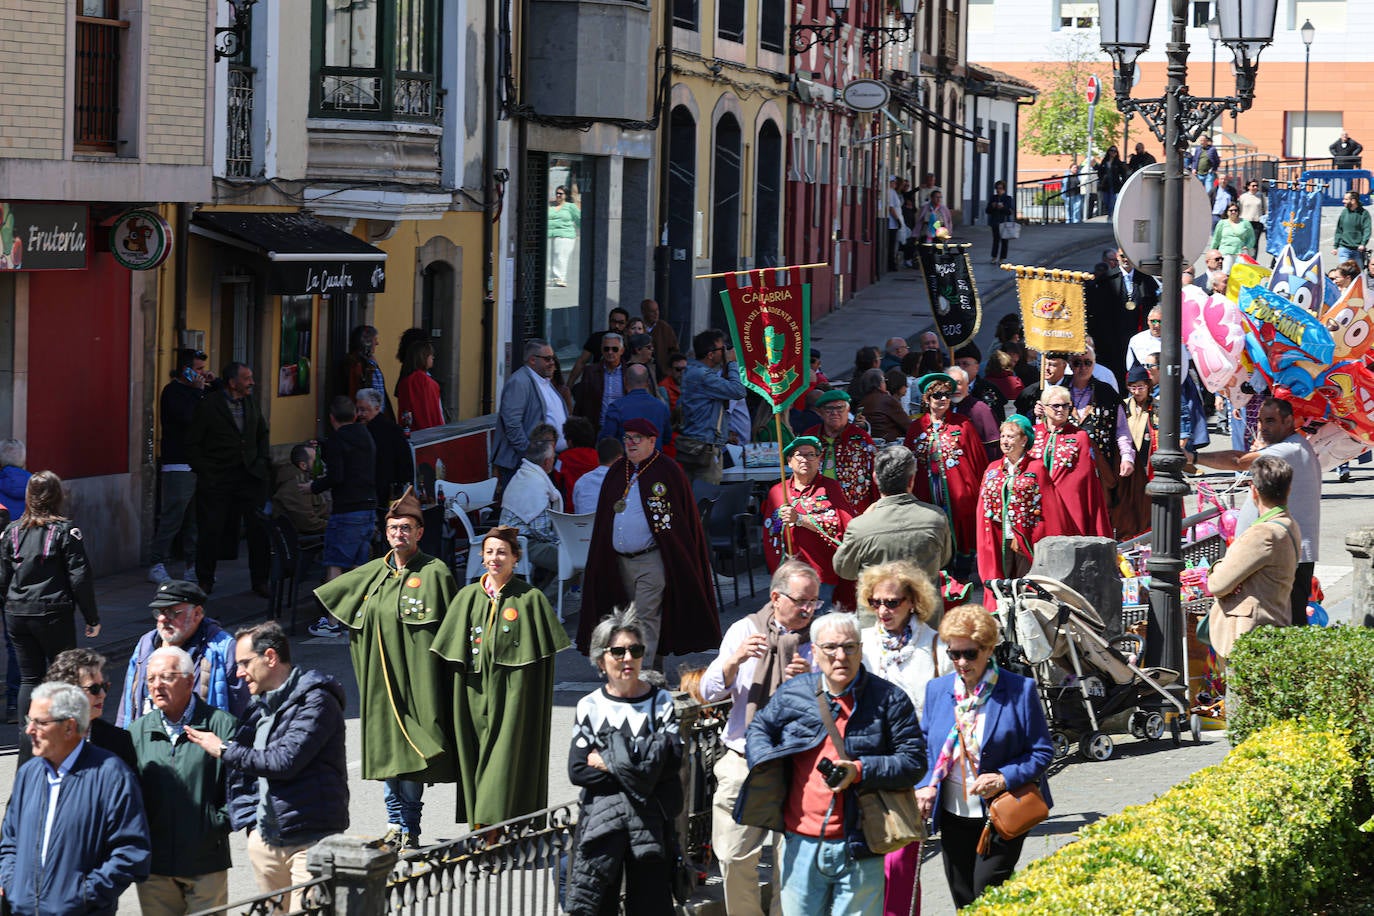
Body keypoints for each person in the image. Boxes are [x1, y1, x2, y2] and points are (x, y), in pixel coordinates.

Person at [735, 612, 926, 916]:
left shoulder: (889, 699)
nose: (841, 656)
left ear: (861, 649)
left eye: (850, 647)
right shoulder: (795, 693)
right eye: (831, 648)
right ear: (815, 651)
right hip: (800, 844)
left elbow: (914, 762)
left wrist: (860, 770)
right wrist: (764, 763)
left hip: (862, 843)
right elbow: (759, 728)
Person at [315, 488, 457, 848]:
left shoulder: (435, 572)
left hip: (418, 684)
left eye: (407, 528)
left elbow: (451, 632)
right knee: (387, 755)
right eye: (394, 528)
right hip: (380, 684)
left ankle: (408, 824)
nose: (399, 534)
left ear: (420, 532)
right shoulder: (373, 573)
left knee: (412, 754)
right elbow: (339, 601)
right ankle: (395, 823)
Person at [185, 622, 348, 911]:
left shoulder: (317, 700)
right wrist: (252, 827)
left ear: (270, 657)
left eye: (244, 663)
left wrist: (223, 749)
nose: (238, 672)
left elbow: (283, 762)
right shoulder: (260, 705)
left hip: (310, 841)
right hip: (266, 840)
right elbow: (244, 775)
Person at [914, 605, 1054, 909]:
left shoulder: (1020, 689)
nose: (961, 663)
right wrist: (925, 785)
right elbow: (926, 746)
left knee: (987, 895)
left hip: (1003, 812)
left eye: (970, 654)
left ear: (989, 649)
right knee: (963, 898)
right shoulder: (938, 690)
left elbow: (1042, 752)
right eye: (954, 654)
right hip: (952, 814)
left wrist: (1004, 777)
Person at [700, 559, 818, 916]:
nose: (808, 609)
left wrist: (813, 680)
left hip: (798, 762)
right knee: (735, 856)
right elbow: (707, 692)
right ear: (776, 597)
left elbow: (842, 700)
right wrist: (734, 661)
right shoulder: (744, 630)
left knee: (792, 861)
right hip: (744, 759)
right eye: (801, 601)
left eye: (814, 602)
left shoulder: (822, 640)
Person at [433, 525, 569, 829]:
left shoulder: (530, 598)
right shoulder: (467, 596)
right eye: (490, 552)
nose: (495, 558)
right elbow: (448, 651)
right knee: (476, 756)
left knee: (505, 757)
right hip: (472, 691)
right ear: (482, 557)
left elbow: (543, 660)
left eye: (502, 552)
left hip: (514, 695)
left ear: (516, 558)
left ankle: (488, 829)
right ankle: (484, 825)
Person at [565, 611, 682, 915]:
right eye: (618, 651)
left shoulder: (661, 702)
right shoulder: (590, 705)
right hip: (603, 825)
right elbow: (578, 770)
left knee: (650, 907)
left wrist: (609, 762)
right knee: (599, 906)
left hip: (651, 825)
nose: (627, 658)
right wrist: (642, 765)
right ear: (601, 659)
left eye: (635, 650)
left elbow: (671, 764)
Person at [0, 682, 151, 915]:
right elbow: (10, 841)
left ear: (69, 728)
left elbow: (131, 852)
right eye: (29, 720)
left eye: (39, 722)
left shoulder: (111, 774)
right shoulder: (28, 774)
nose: (29, 730)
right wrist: (15, 885)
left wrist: (82, 895)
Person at [580, 417, 720, 664]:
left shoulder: (668, 470)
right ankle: (648, 666)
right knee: (623, 619)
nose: (631, 443)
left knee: (645, 616)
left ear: (652, 441)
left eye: (637, 438)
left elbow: (681, 520)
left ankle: (640, 674)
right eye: (627, 437)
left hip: (652, 558)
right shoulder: (616, 471)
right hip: (618, 561)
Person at [857, 560, 945, 916]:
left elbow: (947, 721)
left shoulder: (936, 647)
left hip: (913, 770)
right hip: (867, 768)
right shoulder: (859, 645)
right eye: (876, 602)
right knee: (869, 867)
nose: (883, 610)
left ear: (912, 601)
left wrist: (932, 781)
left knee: (900, 864)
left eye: (892, 602)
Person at [129, 646, 238, 916]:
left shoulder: (222, 725)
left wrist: (215, 823)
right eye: (150, 679)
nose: (156, 686)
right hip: (156, 868)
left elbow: (240, 789)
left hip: (206, 861)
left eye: (166, 677)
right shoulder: (137, 732)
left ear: (190, 681)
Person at [1193, 397, 1320, 627]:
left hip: (1286, 554)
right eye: (1260, 421)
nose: (1263, 427)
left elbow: (1238, 460)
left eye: (1270, 421)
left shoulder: (1289, 449)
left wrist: (1194, 458)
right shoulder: (1289, 447)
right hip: (1283, 552)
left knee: (1285, 622)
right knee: (1283, 621)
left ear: (1289, 420)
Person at [1, 471, 99, 734]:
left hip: (17, 612)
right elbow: (80, 577)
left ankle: (28, 738)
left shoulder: (11, 531)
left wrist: (7, 608)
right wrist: (92, 617)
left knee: (29, 678)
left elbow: (3, 577)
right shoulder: (65, 532)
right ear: (58, 497)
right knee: (63, 677)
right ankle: (62, 735)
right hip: (52, 612)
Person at [186, 361, 271, 597]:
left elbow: (262, 433)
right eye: (247, 378)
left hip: (250, 475)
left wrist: (262, 462)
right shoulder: (209, 405)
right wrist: (206, 470)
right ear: (232, 383)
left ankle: (260, 580)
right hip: (218, 478)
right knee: (210, 529)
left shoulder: (251, 403)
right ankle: (205, 579)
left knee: (258, 529)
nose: (252, 382)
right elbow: (193, 443)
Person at [1205, 455, 1300, 666]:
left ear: (1254, 491)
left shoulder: (1263, 533)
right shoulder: (1289, 524)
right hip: (1274, 621)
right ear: (1288, 489)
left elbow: (1217, 584)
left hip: (1250, 633)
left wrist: (1218, 566)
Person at [117, 579, 248, 728]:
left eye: (172, 613)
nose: (162, 619)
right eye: (159, 612)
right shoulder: (145, 644)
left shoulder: (224, 648)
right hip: (149, 743)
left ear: (197, 614)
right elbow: (127, 703)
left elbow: (242, 710)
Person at [903, 373, 989, 579]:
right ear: (927, 399)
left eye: (947, 395)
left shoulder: (963, 424)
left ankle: (961, 574)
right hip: (927, 492)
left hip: (958, 495)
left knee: (960, 531)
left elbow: (978, 460)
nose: (943, 399)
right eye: (938, 395)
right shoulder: (916, 428)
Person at [833, 444, 951, 587]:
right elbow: (943, 559)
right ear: (912, 479)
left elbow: (844, 570)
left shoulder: (860, 526)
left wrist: (864, 520)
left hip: (877, 607)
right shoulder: (936, 518)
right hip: (925, 606)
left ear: (876, 478)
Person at [761, 437, 855, 608]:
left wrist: (800, 519)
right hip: (789, 575)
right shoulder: (777, 492)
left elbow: (839, 525)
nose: (805, 459)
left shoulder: (830, 488)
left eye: (811, 455)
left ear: (819, 460)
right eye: (799, 455)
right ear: (790, 461)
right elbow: (770, 532)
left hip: (821, 573)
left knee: (819, 623)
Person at [976, 417, 1068, 582]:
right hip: (998, 538)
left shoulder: (1036, 468)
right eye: (1003, 436)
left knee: (1025, 581)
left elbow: (1048, 507)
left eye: (1011, 437)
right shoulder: (992, 469)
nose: (1005, 441)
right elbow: (982, 507)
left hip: (1027, 538)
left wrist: (1023, 535)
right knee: (1001, 581)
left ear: (1024, 440)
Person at [150, 350, 208, 585]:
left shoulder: (200, 392)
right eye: (199, 369)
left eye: (203, 369)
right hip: (178, 464)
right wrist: (197, 392)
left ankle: (192, 565)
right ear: (186, 369)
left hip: (196, 464)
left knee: (194, 520)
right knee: (173, 517)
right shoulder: (173, 392)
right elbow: (189, 418)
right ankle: (157, 562)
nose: (202, 374)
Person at [311, 395, 378, 582]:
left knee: (335, 563)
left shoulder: (337, 439)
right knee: (359, 565)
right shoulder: (366, 435)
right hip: (368, 507)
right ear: (355, 415)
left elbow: (336, 476)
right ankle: (357, 610)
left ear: (332, 417)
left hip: (347, 509)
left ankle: (334, 612)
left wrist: (313, 487)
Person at [1031, 385, 1113, 538]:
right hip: (1038, 503)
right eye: (1056, 405)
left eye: (1065, 405)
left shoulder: (1079, 436)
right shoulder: (1034, 433)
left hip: (1069, 505)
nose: (1061, 409)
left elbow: (1085, 478)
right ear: (1044, 407)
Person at [1065, 347, 1135, 516]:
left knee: (1099, 513)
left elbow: (1122, 429)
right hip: (1067, 468)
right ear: (1070, 365)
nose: (1082, 367)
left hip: (1101, 467)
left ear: (1094, 364)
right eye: (1077, 363)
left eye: (1087, 363)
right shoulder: (1059, 393)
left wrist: (1127, 457)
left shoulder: (1107, 393)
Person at [44, 648, 137, 770]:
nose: (102, 694)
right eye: (94, 689)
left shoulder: (119, 741)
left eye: (104, 686)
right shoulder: (39, 736)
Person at [495, 339, 568, 489]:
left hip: (547, 461)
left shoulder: (544, 381)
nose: (552, 362)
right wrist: (530, 454)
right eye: (547, 359)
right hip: (524, 465)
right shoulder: (519, 382)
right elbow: (512, 425)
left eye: (553, 358)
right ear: (532, 360)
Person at [679, 329, 747, 484]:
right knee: (706, 498)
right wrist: (732, 363)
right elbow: (738, 391)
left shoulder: (693, 371)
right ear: (710, 354)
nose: (726, 352)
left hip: (695, 445)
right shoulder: (702, 376)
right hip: (704, 449)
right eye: (723, 349)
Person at [497, 438, 563, 584]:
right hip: (523, 544)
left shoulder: (521, 476)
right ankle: (546, 601)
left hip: (510, 539)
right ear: (547, 462)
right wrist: (561, 540)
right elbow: (541, 532)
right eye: (553, 458)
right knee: (572, 561)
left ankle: (542, 598)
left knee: (562, 556)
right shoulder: (537, 485)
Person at [802, 389, 878, 512]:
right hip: (816, 508)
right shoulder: (810, 437)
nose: (834, 413)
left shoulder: (861, 439)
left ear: (848, 411)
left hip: (855, 510)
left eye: (840, 408)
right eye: (829, 409)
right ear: (820, 412)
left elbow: (876, 474)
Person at [356, 387, 413, 512]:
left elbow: (403, 463)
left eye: (364, 410)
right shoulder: (393, 429)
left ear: (377, 408)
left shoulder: (372, 431)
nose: (359, 414)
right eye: (358, 410)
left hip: (381, 494)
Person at [1114, 366, 1155, 540]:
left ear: (1148, 386)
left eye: (1140, 387)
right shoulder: (1123, 406)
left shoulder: (1157, 406)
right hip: (1130, 460)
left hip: (1150, 461)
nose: (1136, 391)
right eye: (1132, 387)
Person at [600, 362, 672, 447]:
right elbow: (667, 438)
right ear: (648, 382)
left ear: (624, 381)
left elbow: (606, 440)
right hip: (653, 458)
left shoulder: (616, 407)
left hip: (626, 458)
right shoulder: (662, 407)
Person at [573, 332, 627, 433]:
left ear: (622, 351)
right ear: (602, 350)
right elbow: (581, 403)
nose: (610, 352)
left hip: (622, 428)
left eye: (614, 349)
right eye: (606, 349)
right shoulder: (590, 372)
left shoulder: (629, 373)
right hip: (597, 428)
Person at [271, 443, 329, 538]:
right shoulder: (296, 485)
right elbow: (308, 523)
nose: (321, 464)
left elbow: (322, 511)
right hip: (306, 539)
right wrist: (337, 526)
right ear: (303, 465)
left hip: (313, 533)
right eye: (316, 460)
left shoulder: (306, 479)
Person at [336, 325, 392, 417]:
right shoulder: (356, 363)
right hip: (365, 416)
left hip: (375, 415)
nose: (377, 343)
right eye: (375, 339)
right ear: (367, 342)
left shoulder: (369, 362)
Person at [950, 365, 1002, 461]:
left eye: (959, 383)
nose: (955, 388)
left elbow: (993, 447)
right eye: (951, 384)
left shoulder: (981, 409)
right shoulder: (944, 408)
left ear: (967, 384)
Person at [569, 308, 630, 388]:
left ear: (626, 324)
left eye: (621, 323)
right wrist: (569, 385)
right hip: (597, 383)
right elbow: (581, 361)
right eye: (613, 321)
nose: (616, 326)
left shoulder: (630, 342)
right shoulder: (597, 338)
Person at [396, 340, 444, 431]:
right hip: (429, 433)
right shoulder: (429, 383)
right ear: (423, 357)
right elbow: (436, 413)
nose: (433, 357)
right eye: (430, 355)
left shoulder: (404, 382)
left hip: (410, 431)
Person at [953, 342, 1008, 423]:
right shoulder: (950, 389)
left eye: (965, 364)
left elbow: (998, 419)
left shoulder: (989, 389)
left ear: (976, 367)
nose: (960, 368)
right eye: (957, 364)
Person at [855, 368, 909, 442]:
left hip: (870, 442)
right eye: (884, 381)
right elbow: (908, 426)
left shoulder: (862, 402)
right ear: (879, 384)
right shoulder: (887, 400)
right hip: (891, 443)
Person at [573, 436, 623, 514]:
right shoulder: (624, 482)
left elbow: (577, 512)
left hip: (583, 525)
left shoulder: (581, 481)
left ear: (598, 459)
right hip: (609, 525)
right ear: (620, 459)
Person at [1013, 352, 1070, 418]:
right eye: (1044, 364)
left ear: (1064, 365)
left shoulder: (1073, 387)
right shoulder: (1030, 393)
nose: (1046, 368)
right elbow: (1020, 419)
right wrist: (1033, 413)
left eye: (1052, 365)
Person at [547, 183, 582, 288]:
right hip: (549, 234)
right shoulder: (551, 206)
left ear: (565, 195)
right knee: (548, 257)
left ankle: (560, 278)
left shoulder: (570, 207)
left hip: (565, 235)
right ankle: (548, 278)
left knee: (560, 256)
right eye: (556, 193)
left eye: (560, 194)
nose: (558, 195)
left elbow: (580, 219)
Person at [557, 415, 600, 498]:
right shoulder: (597, 456)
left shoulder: (562, 458)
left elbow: (556, 480)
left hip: (569, 507)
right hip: (593, 505)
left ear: (570, 441)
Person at [639, 298, 680, 378]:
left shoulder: (665, 328)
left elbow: (674, 351)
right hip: (641, 373)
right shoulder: (638, 328)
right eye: (652, 311)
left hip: (662, 375)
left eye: (657, 310)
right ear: (643, 312)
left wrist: (669, 369)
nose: (656, 313)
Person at [1210, 201, 1256, 269]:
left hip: (1240, 252)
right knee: (1226, 273)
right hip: (1226, 252)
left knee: (1241, 274)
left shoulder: (1245, 223)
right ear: (1227, 212)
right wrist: (1211, 252)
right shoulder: (1222, 223)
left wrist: (1248, 246)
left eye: (1235, 210)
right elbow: (1216, 239)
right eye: (1231, 210)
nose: (1233, 212)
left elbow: (1251, 237)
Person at [1334, 190, 1371, 270]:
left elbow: (1367, 230)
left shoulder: (1364, 213)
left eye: (1346, 199)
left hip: (1358, 250)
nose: (1343, 201)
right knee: (1343, 271)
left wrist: (1363, 244)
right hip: (1344, 248)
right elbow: (1339, 230)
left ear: (1353, 201)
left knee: (1358, 274)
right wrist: (1335, 246)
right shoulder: (1344, 212)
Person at [986, 179, 1015, 264]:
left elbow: (1010, 211)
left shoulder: (1008, 198)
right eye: (997, 188)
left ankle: (1002, 258)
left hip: (1004, 222)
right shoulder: (993, 198)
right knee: (995, 240)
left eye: (1000, 188)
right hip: (995, 221)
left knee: (1004, 241)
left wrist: (1002, 207)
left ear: (1004, 189)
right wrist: (993, 206)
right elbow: (987, 210)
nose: (998, 190)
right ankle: (994, 257)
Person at [1095, 146, 1126, 215]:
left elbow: (1123, 173)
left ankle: (1111, 215)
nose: (1113, 152)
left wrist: (1123, 182)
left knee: (1112, 200)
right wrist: (1102, 178)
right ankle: (1109, 213)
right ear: (1108, 152)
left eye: (1115, 151)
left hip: (1114, 184)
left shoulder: (1118, 162)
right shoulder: (1104, 161)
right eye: (1111, 151)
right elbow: (1099, 172)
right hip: (1105, 184)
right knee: (1105, 200)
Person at [1238, 179, 1267, 252]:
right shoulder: (1243, 197)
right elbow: (1239, 209)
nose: (1255, 187)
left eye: (1256, 186)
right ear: (1248, 187)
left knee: (1254, 243)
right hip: (1246, 222)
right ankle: (1244, 259)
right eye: (1253, 186)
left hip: (1257, 222)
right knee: (1244, 242)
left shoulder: (1260, 196)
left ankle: (1253, 261)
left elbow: (1265, 209)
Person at [885, 175, 904, 271]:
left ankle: (892, 262)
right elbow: (891, 208)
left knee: (894, 243)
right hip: (892, 223)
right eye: (894, 182)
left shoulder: (893, 192)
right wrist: (897, 220)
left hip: (894, 223)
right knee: (892, 244)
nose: (895, 184)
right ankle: (891, 263)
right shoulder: (890, 192)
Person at [1062, 156, 1084, 224]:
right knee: (1069, 208)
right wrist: (1063, 194)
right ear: (1070, 168)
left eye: (1076, 168)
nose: (1075, 169)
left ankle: (1076, 221)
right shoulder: (1066, 176)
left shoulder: (1079, 176)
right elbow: (1063, 185)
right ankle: (1068, 221)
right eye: (1074, 168)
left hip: (1077, 194)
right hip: (1068, 194)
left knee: (1077, 208)